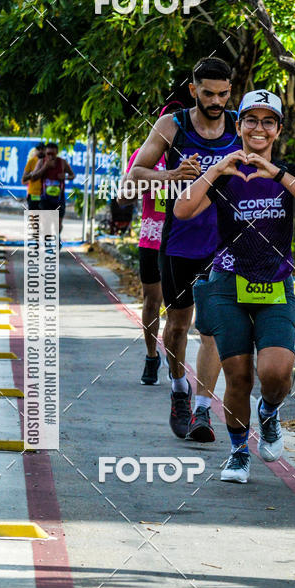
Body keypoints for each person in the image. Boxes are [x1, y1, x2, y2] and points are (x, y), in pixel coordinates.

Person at [174, 89, 295, 483]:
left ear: (277, 130)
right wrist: (214, 170)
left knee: (276, 372)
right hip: (228, 285)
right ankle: (239, 452)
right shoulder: (223, 177)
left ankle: (270, 412)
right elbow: (182, 209)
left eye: (268, 121)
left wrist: (274, 172)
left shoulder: (289, 173)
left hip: (275, 285)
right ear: (238, 125)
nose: (259, 128)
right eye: (251, 120)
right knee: (238, 376)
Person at [120, 58, 241, 442]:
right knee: (177, 327)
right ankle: (178, 390)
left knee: (213, 329)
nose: (216, 101)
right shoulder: (173, 125)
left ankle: (203, 411)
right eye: (208, 93)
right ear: (193, 90)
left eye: (223, 93)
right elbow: (137, 172)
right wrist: (170, 175)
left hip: (224, 243)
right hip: (179, 242)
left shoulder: (240, 125)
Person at [128, 100, 183, 386]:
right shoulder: (145, 154)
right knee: (152, 301)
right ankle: (152, 356)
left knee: (180, 311)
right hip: (152, 237)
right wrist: (155, 179)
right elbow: (125, 194)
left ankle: (178, 369)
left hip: (186, 239)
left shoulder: (199, 153)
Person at [31, 142, 75, 237]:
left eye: (53, 154)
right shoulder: (42, 162)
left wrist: (65, 177)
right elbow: (34, 177)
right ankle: (48, 244)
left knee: (57, 224)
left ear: (57, 153)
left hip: (59, 198)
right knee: (46, 223)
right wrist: (45, 167)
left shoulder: (62, 162)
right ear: (46, 153)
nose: (50, 156)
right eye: (48, 154)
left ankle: (57, 238)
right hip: (45, 198)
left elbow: (72, 175)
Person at [22, 141, 46, 209]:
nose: (41, 151)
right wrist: (33, 175)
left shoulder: (49, 162)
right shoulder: (31, 161)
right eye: (39, 149)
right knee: (34, 218)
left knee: (45, 218)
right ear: (36, 150)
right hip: (34, 194)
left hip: (46, 195)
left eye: (42, 149)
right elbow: (24, 179)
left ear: (45, 150)